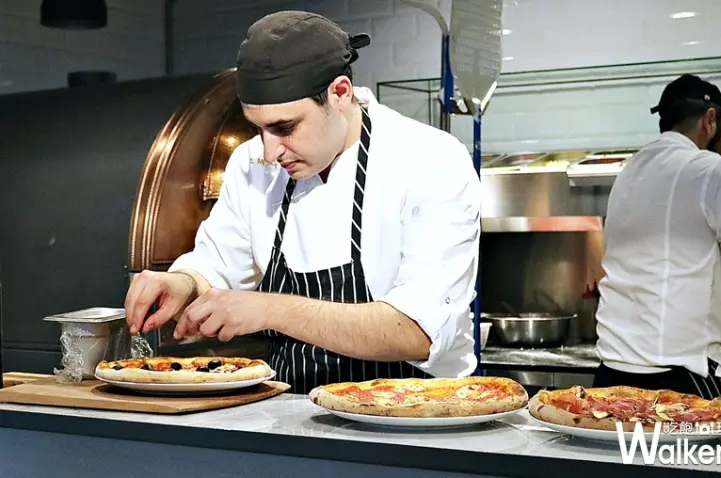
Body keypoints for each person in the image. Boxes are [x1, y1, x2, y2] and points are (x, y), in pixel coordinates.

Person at [124, 11, 481, 394]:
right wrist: (184, 282)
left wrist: (267, 309)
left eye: (285, 127)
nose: (269, 150)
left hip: (418, 414)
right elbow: (219, 262)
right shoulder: (251, 164)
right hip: (293, 416)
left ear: (340, 94)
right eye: (257, 128)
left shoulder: (430, 159)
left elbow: (417, 332)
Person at [592, 74, 721, 406]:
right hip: (682, 382)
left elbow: (692, 277)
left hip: (611, 378)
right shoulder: (713, 170)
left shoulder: (629, 174)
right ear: (711, 120)